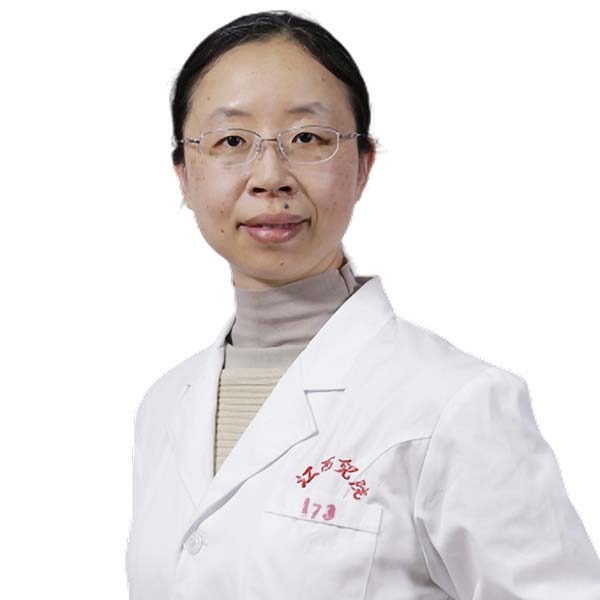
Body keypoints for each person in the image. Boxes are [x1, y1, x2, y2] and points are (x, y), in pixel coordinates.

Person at [125, 9, 600, 599]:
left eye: (308, 138)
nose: (270, 176)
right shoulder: (165, 406)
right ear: (183, 173)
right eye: (231, 141)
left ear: (363, 165)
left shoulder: (455, 403)